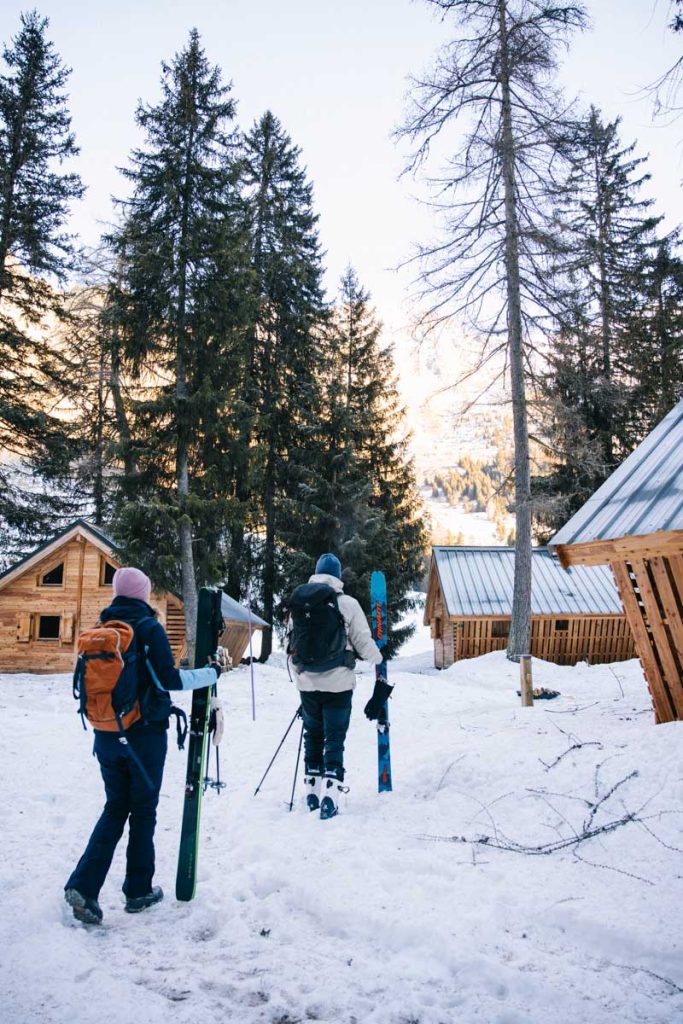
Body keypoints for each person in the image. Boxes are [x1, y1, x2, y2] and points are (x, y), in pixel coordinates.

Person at [64, 567, 220, 926]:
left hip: (105, 733)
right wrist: (210, 674)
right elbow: (170, 679)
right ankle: (138, 890)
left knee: (116, 806)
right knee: (144, 809)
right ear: (144, 593)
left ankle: (84, 886)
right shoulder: (148, 628)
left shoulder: (103, 629)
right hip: (143, 734)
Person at [287, 553, 392, 819]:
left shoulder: (301, 604)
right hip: (339, 683)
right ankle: (330, 797)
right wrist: (379, 658)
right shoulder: (347, 603)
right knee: (334, 737)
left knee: (312, 734)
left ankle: (311, 792)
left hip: (306, 683)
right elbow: (362, 641)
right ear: (338, 576)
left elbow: (292, 642)